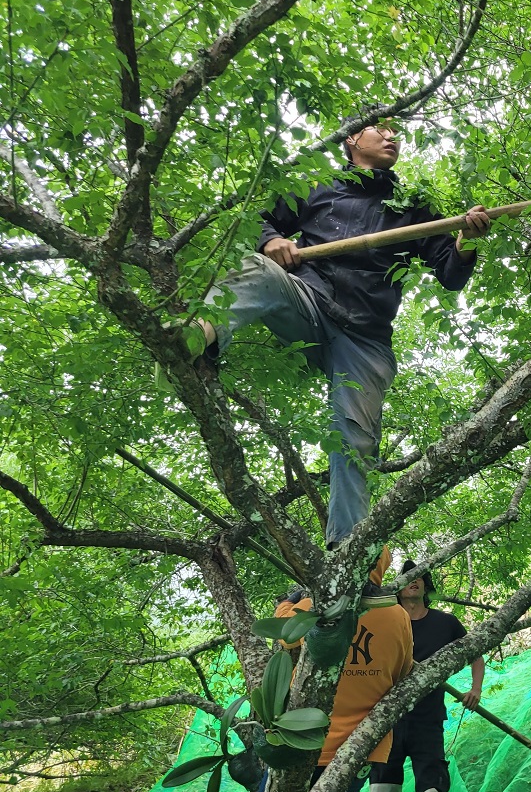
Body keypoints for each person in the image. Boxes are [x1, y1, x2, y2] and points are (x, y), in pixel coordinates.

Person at [187, 111, 491, 560]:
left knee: (354, 439)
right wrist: (271, 239)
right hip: (308, 303)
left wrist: (467, 240)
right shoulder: (317, 184)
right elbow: (255, 219)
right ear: (351, 139)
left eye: (397, 132)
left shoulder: (411, 202)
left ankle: (345, 552)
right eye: (380, 129)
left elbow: (450, 270)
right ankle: (197, 338)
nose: (391, 137)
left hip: (365, 336)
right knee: (256, 268)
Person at [250, 555, 414, 792]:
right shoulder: (397, 615)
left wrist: (286, 603)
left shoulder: (316, 606)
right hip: (355, 752)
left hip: (299, 739)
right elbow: (402, 672)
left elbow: (284, 636)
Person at [360, 560, 485, 792]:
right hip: (386, 723)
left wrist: (475, 688)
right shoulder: (383, 621)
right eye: (407, 579)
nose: (413, 584)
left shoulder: (445, 622)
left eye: (419, 579)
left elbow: (476, 652)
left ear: (426, 587)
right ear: (397, 589)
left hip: (428, 722)